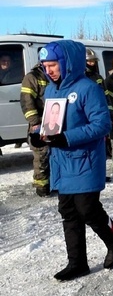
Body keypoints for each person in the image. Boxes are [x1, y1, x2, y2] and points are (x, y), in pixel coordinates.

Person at [30, 40, 113, 281]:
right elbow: (52, 123)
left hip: (85, 160)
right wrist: (41, 136)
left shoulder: (88, 88)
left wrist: (66, 138)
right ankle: (77, 263)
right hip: (62, 161)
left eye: (52, 65)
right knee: (68, 210)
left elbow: (102, 124)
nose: (48, 70)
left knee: (88, 209)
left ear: (66, 63)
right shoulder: (51, 90)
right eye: (45, 65)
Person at [19, 62, 50, 196]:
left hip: (54, 120)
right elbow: (27, 101)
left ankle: (55, 183)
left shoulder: (55, 75)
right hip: (39, 122)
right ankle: (42, 187)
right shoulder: (32, 77)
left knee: (55, 154)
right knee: (41, 155)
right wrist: (35, 122)